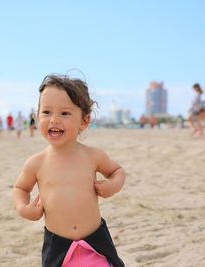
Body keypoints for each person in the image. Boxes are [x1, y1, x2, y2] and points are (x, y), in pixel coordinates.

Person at [13, 74, 126, 267]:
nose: (54, 120)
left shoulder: (92, 156)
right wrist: (24, 208)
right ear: (36, 116)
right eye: (46, 112)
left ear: (84, 120)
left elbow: (117, 171)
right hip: (58, 248)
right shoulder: (36, 163)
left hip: (95, 243)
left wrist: (113, 186)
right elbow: (20, 188)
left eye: (65, 113)